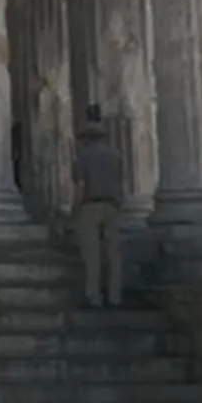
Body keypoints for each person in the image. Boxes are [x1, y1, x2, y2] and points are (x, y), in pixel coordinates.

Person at [72, 105, 126, 309]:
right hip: (112, 205)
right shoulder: (115, 155)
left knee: (91, 253)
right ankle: (115, 296)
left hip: (90, 205)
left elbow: (81, 185)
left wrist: (74, 210)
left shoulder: (83, 157)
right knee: (113, 253)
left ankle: (93, 296)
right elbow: (121, 182)